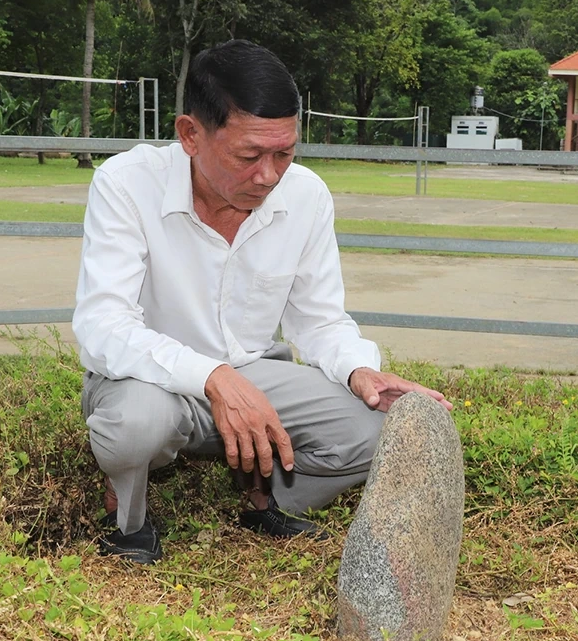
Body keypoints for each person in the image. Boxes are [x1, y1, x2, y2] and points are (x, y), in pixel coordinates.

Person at [72, 40, 451, 564]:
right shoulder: (126, 183)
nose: (269, 176)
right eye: (248, 156)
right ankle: (128, 519)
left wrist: (359, 371)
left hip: (253, 372)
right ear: (190, 135)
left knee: (379, 428)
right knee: (136, 426)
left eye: (284, 154)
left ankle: (268, 498)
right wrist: (214, 377)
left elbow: (319, 320)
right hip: (149, 380)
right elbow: (103, 324)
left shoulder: (306, 195)